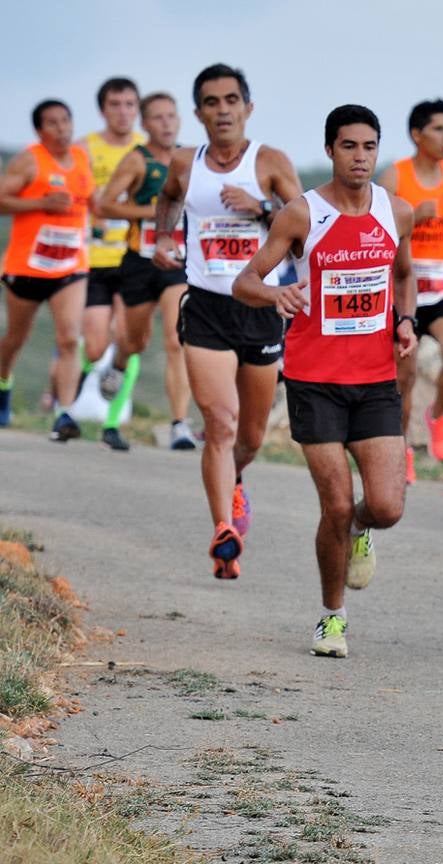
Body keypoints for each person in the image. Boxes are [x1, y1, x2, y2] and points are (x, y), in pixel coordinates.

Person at [234, 104, 416, 657]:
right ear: (330, 150)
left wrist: (405, 320)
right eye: (348, 146)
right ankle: (331, 617)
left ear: (377, 151)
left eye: (368, 147)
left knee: (385, 507)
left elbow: (404, 276)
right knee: (334, 504)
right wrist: (277, 293)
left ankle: (361, 530)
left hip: (376, 379)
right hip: (314, 379)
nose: (359, 157)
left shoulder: (397, 212)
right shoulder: (300, 215)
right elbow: (247, 281)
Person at [152, 63, 302, 578]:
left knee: (251, 437)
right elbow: (169, 199)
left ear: (248, 108)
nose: (222, 110)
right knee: (220, 422)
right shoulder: (183, 164)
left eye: (231, 100)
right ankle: (223, 530)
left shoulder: (270, 162)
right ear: (198, 113)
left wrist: (261, 207)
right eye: (212, 102)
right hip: (206, 307)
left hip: (260, 308)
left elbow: (304, 232)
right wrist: (163, 238)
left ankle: (234, 483)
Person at [376, 99, 443, 482]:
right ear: (416, 134)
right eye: (439, 129)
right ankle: (401, 448)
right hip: (405, 288)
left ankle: (436, 416)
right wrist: (411, 216)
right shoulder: (395, 177)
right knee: (402, 378)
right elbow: (375, 222)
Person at [95, 91, 196, 451]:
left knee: (175, 338)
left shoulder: (192, 159)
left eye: (171, 116)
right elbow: (105, 204)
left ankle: (180, 424)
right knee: (135, 341)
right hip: (140, 261)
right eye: (157, 117)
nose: (166, 123)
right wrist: (153, 212)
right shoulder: (137, 161)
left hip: (176, 262)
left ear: (181, 119)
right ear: (145, 124)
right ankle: (119, 364)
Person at [0, 99, 95, 440]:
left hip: (70, 265)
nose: (62, 128)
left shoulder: (83, 159)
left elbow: (92, 202)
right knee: (15, 339)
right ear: (40, 131)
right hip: (27, 267)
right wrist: (41, 203)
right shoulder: (30, 160)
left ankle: (64, 413)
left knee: (70, 338)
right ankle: (3, 383)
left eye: (66, 121)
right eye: (53, 123)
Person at [79, 77, 145, 427]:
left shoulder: (147, 148)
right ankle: (82, 372)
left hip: (133, 258)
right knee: (94, 346)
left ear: (138, 109)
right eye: (115, 105)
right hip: (93, 258)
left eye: (130, 104)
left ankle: (114, 421)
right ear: (103, 109)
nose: (123, 112)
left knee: (127, 337)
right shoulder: (84, 149)